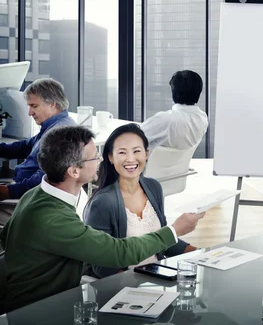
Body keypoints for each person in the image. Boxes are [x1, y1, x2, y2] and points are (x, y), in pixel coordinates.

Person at [0, 126, 202, 313]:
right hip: (35, 310)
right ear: (74, 171)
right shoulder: (54, 218)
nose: (100, 161)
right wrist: (174, 231)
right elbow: (117, 252)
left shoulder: (35, 195)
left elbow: (5, 238)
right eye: (94, 157)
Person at [83, 124, 202, 278]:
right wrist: (134, 285)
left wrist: (201, 254)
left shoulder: (153, 187)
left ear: (146, 153)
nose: (130, 159)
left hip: (156, 277)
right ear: (111, 157)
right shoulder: (103, 202)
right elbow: (100, 265)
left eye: (137, 151)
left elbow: (163, 240)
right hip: (123, 286)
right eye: (122, 152)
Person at [0, 78, 75, 225]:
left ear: (52, 104)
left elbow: (43, 180)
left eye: (34, 106)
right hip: (23, 188)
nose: (29, 113)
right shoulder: (53, 125)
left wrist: (7, 191)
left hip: (29, 198)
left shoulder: (59, 134)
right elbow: (26, 146)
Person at [140, 70, 208, 152]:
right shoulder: (202, 118)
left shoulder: (165, 120)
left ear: (174, 92)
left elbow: (131, 137)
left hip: (146, 164)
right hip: (179, 164)